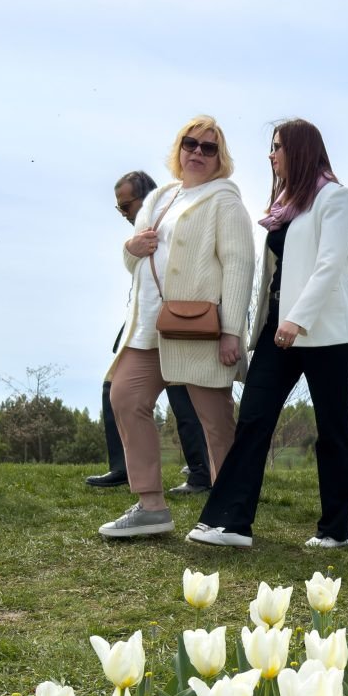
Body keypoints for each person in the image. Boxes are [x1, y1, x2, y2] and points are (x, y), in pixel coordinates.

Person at [188, 119, 348, 549]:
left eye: (278, 146)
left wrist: (297, 318)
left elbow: (331, 264)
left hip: (326, 333)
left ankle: (336, 529)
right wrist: (270, 321)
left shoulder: (335, 198)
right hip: (276, 329)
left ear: (300, 150)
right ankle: (231, 522)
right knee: (253, 420)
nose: (271, 155)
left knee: (332, 430)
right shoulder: (285, 205)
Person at [98, 116, 254, 539]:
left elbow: (240, 266)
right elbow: (134, 257)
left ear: (220, 157)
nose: (197, 152)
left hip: (201, 330)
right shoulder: (160, 197)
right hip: (149, 324)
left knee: (215, 422)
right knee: (125, 396)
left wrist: (231, 331)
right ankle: (151, 506)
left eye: (208, 147)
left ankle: (228, 512)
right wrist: (131, 247)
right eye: (190, 143)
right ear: (179, 149)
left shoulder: (225, 200)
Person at [90, 170, 213, 492]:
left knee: (183, 396)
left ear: (145, 199)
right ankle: (124, 468)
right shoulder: (144, 232)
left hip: (174, 319)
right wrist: (130, 248)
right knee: (115, 387)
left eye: (126, 206)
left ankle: (202, 474)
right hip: (144, 322)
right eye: (119, 207)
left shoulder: (171, 223)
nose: (123, 213)